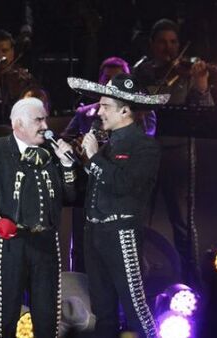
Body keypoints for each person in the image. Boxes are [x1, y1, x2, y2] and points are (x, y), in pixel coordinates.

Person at [0, 97, 77, 337]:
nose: (45, 125)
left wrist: (67, 166)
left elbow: (70, 197)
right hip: (9, 244)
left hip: (45, 243)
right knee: (5, 316)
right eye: (38, 120)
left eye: (45, 118)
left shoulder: (52, 152)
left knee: (47, 317)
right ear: (18, 124)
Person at [68, 73, 169, 338]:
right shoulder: (105, 145)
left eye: (105, 106)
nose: (99, 112)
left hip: (121, 231)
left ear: (125, 110)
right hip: (94, 232)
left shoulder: (145, 146)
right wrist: (72, 163)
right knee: (102, 309)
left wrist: (92, 159)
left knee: (134, 303)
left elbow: (125, 184)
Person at [132, 18, 214, 287]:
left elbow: (205, 111)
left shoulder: (188, 74)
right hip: (146, 156)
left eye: (173, 42)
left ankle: (192, 281)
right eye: (162, 42)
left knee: (183, 222)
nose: (168, 48)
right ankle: (136, 279)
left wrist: (201, 86)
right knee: (138, 220)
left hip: (178, 154)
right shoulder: (141, 73)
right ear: (152, 45)